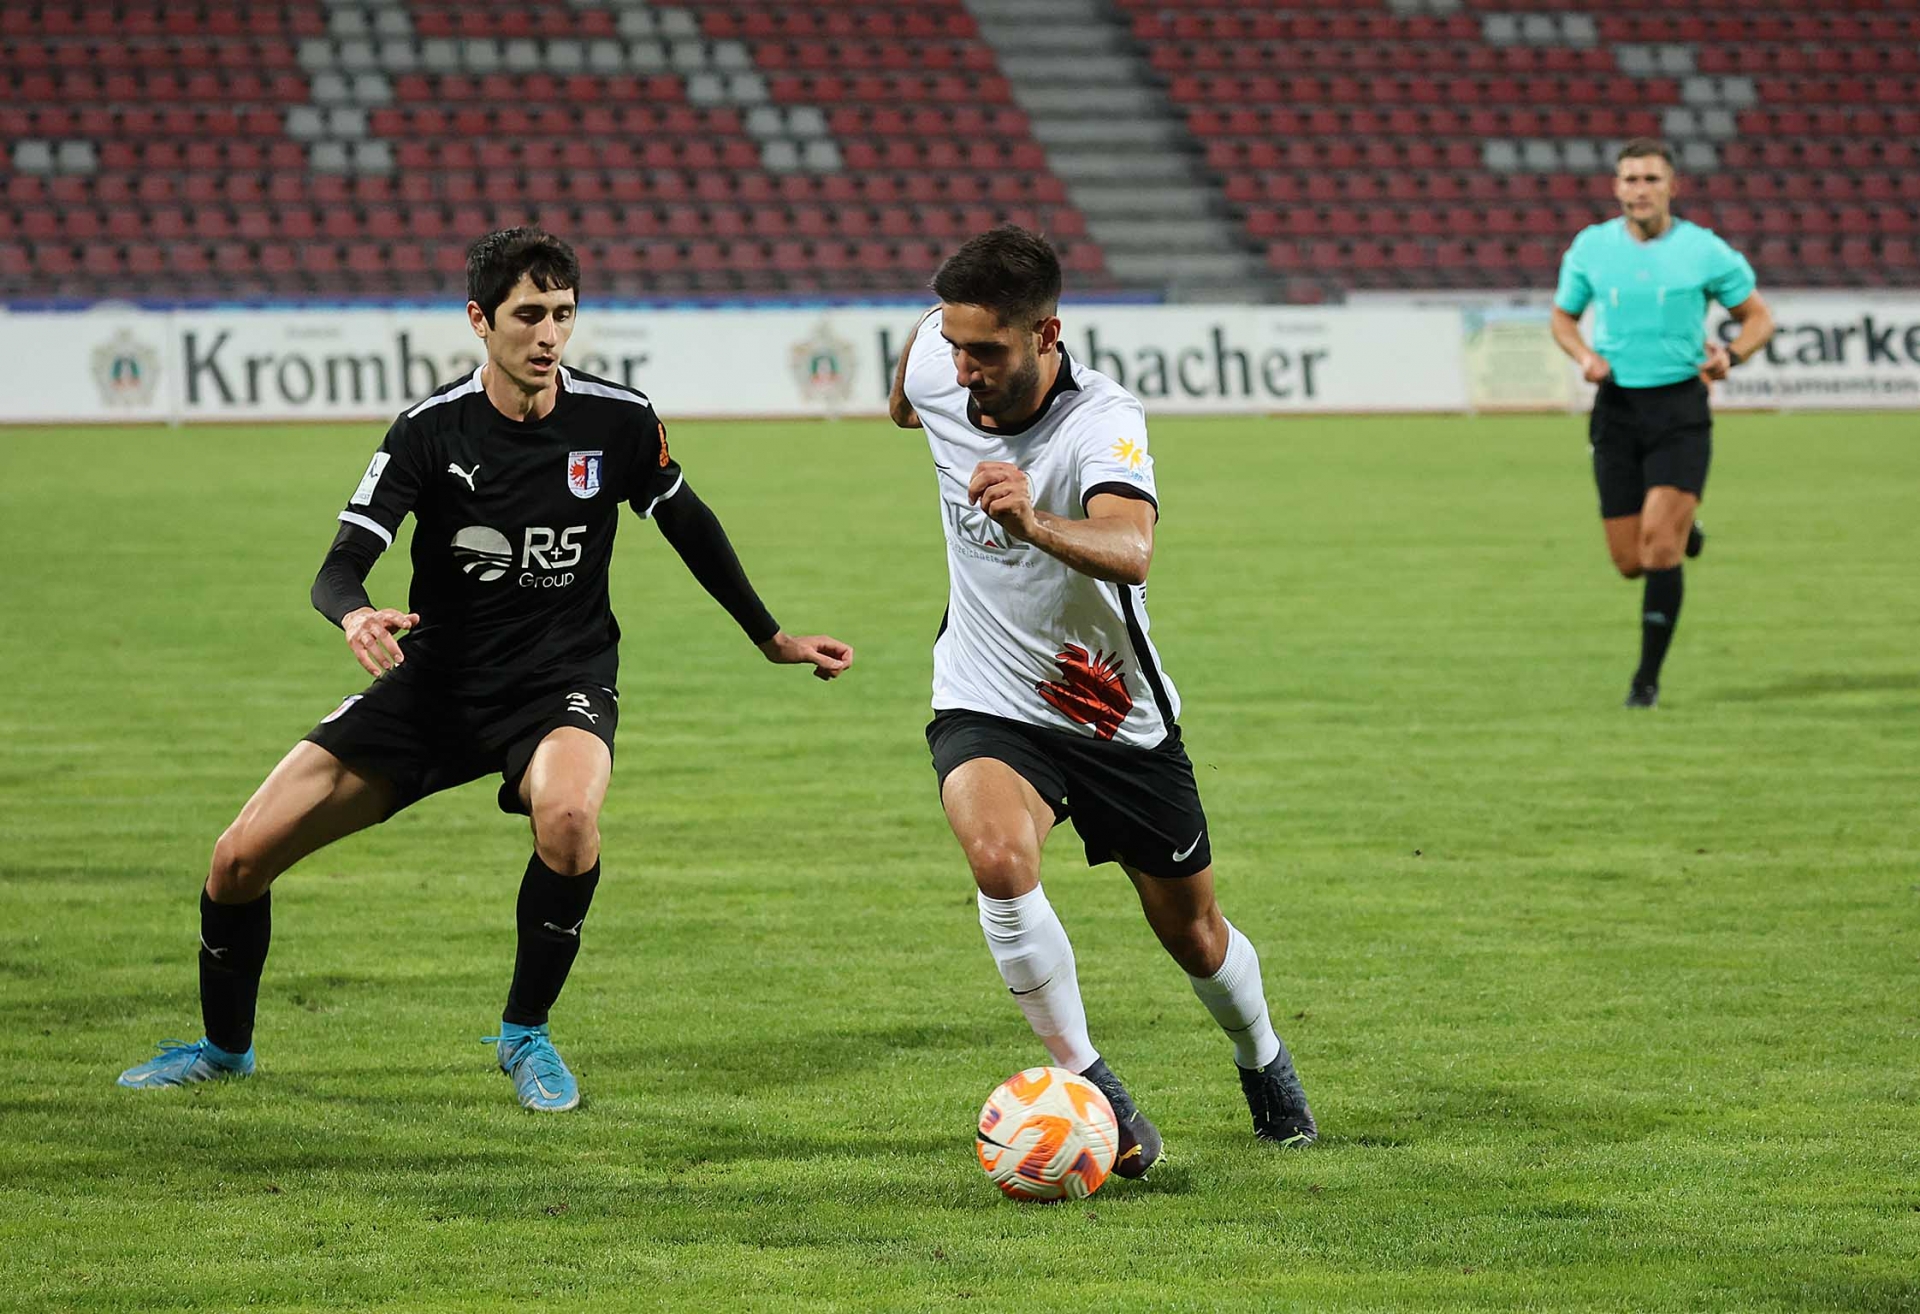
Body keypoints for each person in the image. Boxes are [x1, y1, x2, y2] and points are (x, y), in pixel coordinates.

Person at [118, 228, 853, 1109]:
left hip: (558, 682)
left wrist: (770, 636)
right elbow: (340, 563)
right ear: (480, 319)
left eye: (564, 315)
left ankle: (524, 1035)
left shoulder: (619, 420)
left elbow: (688, 522)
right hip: (432, 687)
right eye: (529, 315)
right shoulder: (430, 432)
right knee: (237, 859)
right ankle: (222, 1048)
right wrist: (356, 614)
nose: (549, 336)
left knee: (572, 815)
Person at [887, 226, 1316, 1171]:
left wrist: (1034, 520)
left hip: (1111, 710)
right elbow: (908, 391)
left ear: (1047, 335)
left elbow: (1133, 547)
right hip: (987, 693)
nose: (963, 370)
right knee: (998, 859)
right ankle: (1096, 1090)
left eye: (986, 352)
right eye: (954, 345)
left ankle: (1264, 1057)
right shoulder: (936, 356)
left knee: (1194, 934)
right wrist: (930, 373)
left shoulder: (1101, 420)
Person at [1550, 138, 1775, 708]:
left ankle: (1645, 682)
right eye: (1630, 179)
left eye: (1651, 179)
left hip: (1679, 408)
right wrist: (1583, 356)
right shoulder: (1592, 248)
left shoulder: (1704, 251)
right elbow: (1562, 317)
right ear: (1616, 188)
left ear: (1673, 187)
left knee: (1658, 549)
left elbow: (1757, 317)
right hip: (1617, 409)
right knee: (1629, 562)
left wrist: (1731, 356)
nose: (1640, 190)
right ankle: (1685, 528)